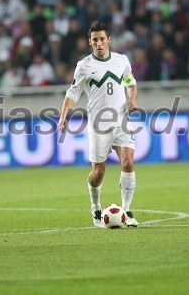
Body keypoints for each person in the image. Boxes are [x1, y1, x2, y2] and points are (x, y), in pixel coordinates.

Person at [58, 21, 138, 228]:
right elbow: (72, 93)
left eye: (102, 39)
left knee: (128, 162)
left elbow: (131, 83)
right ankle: (95, 208)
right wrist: (63, 116)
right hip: (98, 124)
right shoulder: (84, 66)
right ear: (89, 42)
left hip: (121, 120)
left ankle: (127, 211)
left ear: (109, 40)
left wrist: (132, 100)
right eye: (95, 40)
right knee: (98, 173)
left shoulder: (122, 61)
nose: (99, 43)